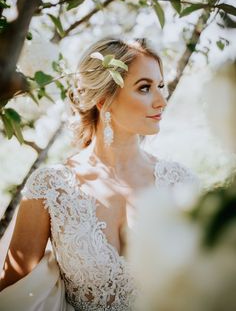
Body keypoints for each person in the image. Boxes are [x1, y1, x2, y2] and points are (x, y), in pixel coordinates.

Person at [0, 38, 199, 311]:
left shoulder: (180, 183)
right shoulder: (51, 188)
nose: (162, 100)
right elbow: (13, 297)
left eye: (161, 86)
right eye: (145, 88)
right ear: (104, 100)